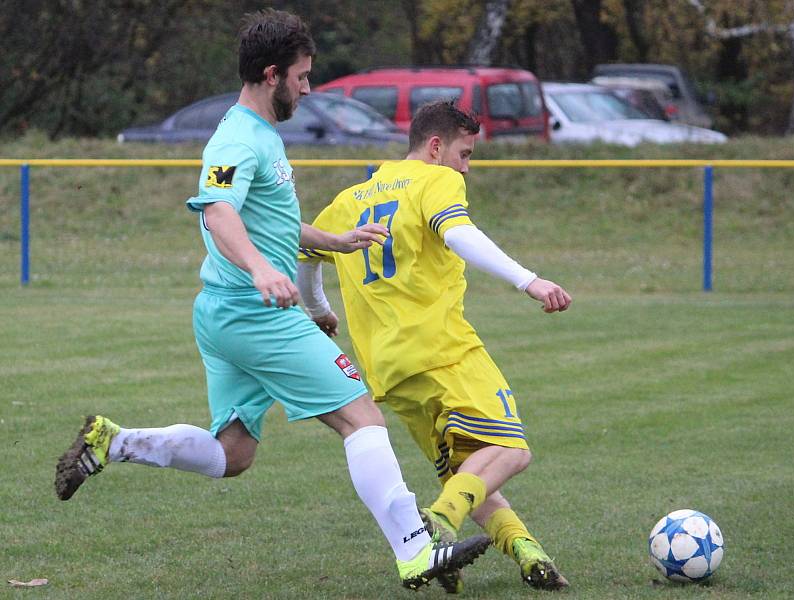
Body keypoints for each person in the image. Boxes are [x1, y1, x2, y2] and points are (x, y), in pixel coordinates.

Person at [54, 10, 490, 590]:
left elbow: (268, 219)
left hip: (225, 313)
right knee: (360, 415)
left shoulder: (262, 134)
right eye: (302, 76)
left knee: (231, 453)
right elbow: (218, 212)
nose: (308, 87)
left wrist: (332, 241)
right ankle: (415, 549)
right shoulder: (235, 138)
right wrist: (262, 270)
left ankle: (116, 441)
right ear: (271, 74)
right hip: (253, 311)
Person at [296, 100, 573, 593]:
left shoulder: (349, 199)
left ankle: (527, 550)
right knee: (510, 451)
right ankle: (438, 522)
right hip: (444, 350)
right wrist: (528, 280)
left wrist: (317, 308)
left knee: (470, 474)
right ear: (436, 146)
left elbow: (306, 252)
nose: (466, 167)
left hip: (388, 370)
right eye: (465, 154)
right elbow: (459, 232)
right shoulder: (435, 179)